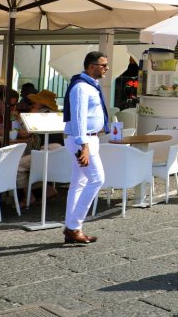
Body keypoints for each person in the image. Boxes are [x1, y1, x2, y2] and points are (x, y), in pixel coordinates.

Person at [62, 51, 111, 245]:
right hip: (83, 140)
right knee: (97, 179)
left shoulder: (90, 86)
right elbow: (79, 118)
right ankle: (73, 227)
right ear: (91, 66)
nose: (106, 68)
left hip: (88, 139)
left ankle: (71, 227)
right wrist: (84, 146)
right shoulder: (81, 88)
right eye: (103, 65)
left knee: (79, 183)